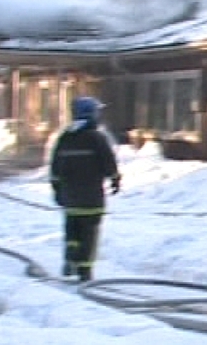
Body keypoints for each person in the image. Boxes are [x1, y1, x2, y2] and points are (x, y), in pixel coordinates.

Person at [50, 96, 121, 282]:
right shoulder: (97, 138)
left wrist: (57, 189)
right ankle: (85, 270)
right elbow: (109, 163)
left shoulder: (65, 138)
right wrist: (115, 179)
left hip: (70, 198)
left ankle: (71, 253)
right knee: (90, 234)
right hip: (92, 199)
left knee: (72, 229)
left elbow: (55, 167)